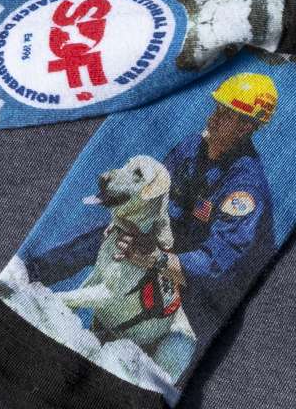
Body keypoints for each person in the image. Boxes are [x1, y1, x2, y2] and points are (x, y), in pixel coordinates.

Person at [24, 73, 278, 346]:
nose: (213, 118)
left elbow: (215, 264)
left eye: (225, 115)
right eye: (217, 108)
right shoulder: (192, 148)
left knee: (176, 340)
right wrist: (136, 230)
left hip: (214, 285)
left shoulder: (245, 188)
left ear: (245, 128)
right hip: (175, 249)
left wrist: (157, 259)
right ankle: (26, 277)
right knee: (110, 236)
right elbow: (153, 200)